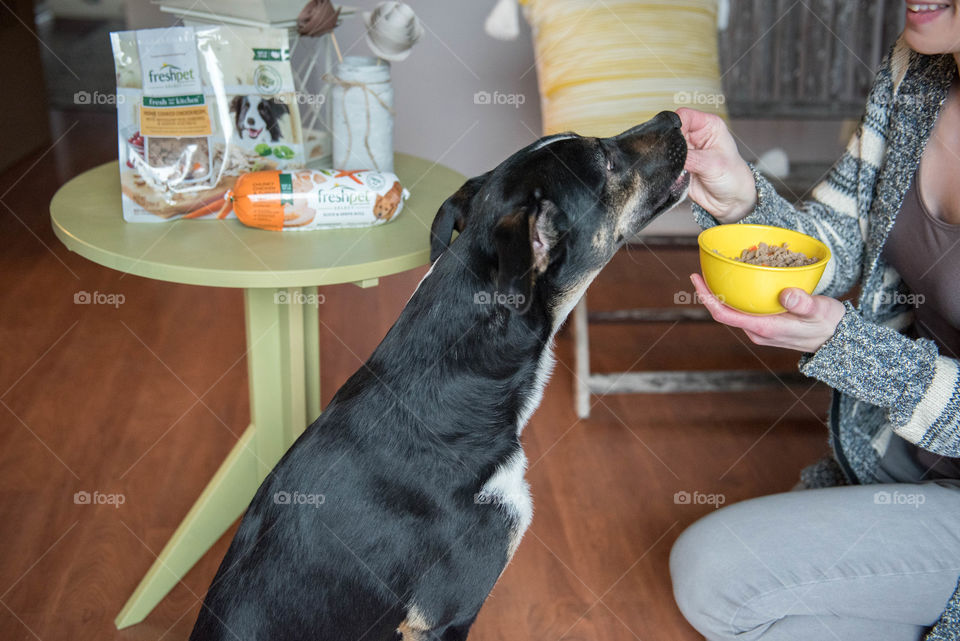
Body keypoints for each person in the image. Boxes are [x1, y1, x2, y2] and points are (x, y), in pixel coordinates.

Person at [669, 4, 960, 641]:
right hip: (902, 466)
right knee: (716, 582)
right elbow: (836, 238)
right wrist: (740, 196)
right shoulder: (918, 68)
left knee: (719, 575)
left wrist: (851, 349)